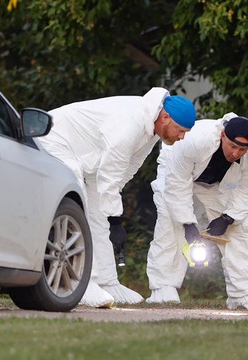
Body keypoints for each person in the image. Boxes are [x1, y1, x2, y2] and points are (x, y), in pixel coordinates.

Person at [38, 87, 196, 308]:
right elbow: (110, 174)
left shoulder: (151, 130)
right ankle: (83, 282)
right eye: (180, 130)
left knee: (99, 212)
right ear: (165, 117)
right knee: (78, 201)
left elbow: (125, 172)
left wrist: (111, 214)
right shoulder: (130, 124)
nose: (182, 137)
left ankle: (108, 282)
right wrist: (115, 220)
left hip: (89, 157)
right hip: (54, 137)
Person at [145, 113, 248, 311]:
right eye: (233, 146)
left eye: (242, 149)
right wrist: (188, 223)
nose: (236, 153)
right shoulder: (195, 141)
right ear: (223, 136)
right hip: (176, 171)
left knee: (240, 227)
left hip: (214, 182)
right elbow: (177, 186)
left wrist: (228, 217)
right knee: (170, 222)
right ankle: (163, 288)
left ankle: (243, 293)